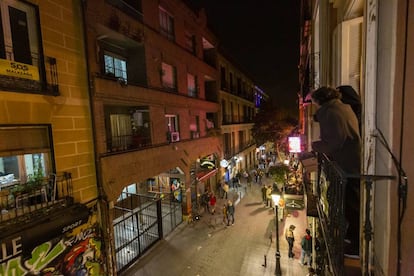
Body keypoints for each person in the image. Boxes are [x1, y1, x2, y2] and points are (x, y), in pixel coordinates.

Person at [310, 86, 361, 257]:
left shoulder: (331, 112)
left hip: (346, 165)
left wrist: (314, 146)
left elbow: (333, 142)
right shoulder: (341, 107)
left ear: (319, 100)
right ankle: (353, 237)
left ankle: (356, 245)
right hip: (352, 163)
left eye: (314, 103)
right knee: (351, 202)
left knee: (350, 205)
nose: (314, 106)